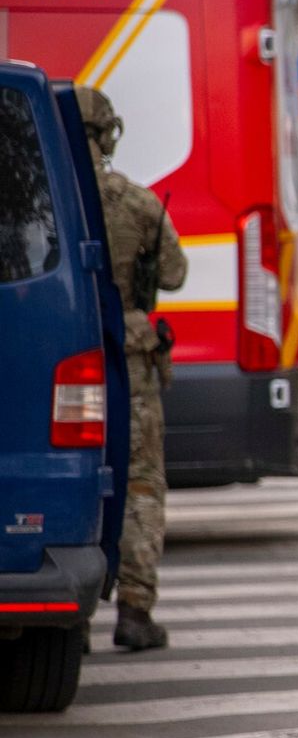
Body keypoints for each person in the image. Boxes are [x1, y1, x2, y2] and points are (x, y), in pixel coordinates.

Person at [77, 87, 187, 652]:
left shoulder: (47, 193)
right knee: (141, 485)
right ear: (108, 134)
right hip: (131, 364)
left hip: (60, 359)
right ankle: (136, 612)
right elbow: (173, 274)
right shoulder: (137, 202)